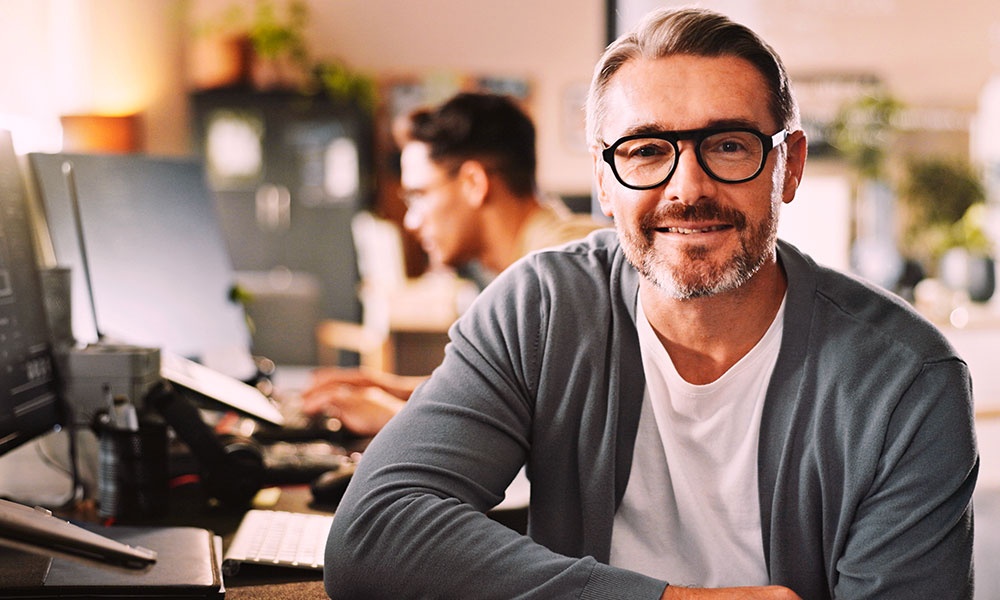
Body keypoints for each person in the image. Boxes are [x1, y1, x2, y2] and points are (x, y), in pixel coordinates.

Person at [324, 7, 978, 599]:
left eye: (728, 144)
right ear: (604, 183)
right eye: (645, 150)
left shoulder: (906, 381)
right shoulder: (541, 307)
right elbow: (373, 534)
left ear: (791, 165)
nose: (688, 188)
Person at [302, 92, 606, 435]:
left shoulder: (559, 267)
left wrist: (393, 418)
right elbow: (507, 395)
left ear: (474, 183)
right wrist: (392, 388)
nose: (412, 221)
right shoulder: (534, 260)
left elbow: (550, 429)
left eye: (419, 195)